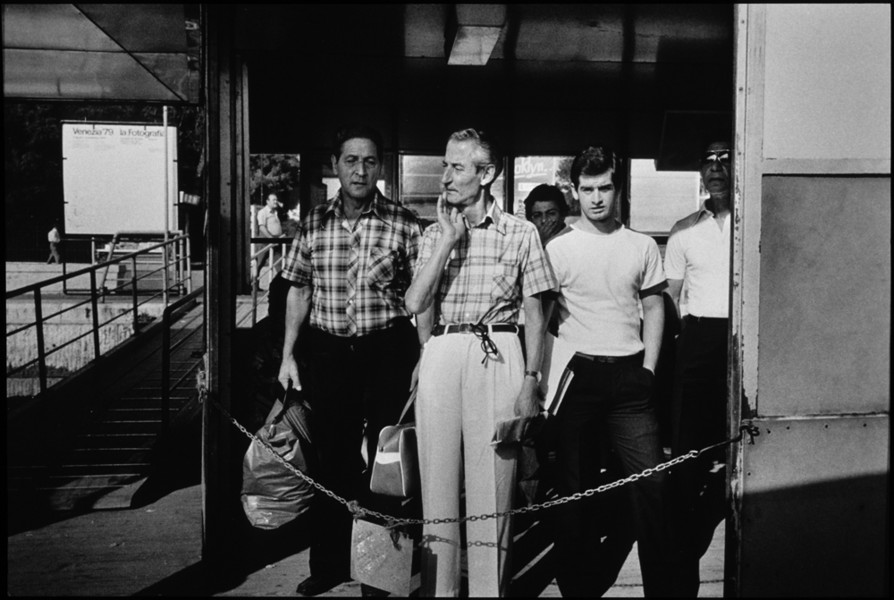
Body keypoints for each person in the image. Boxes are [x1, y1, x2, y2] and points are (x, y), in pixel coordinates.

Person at [405, 128, 557, 597]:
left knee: (493, 485)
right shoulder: (433, 233)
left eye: (457, 167)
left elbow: (537, 310)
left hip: (499, 350)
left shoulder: (520, 232)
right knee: (437, 485)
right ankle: (441, 590)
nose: (444, 176)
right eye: (444, 165)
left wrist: (532, 378)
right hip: (443, 351)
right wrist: (449, 240)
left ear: (486, 174)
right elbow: (416, 303)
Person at [277, 124, 422, 597]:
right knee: (331, 458)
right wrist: (288, 357)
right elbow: (298, 289)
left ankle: (383, 570)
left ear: (381, 167)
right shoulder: (313, 223)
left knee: (388, 460)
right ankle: (332, 563)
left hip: (387, 350)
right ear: (335, 166)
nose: (361, 170)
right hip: (330, 352)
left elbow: (420, 300)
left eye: (370, 161)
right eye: (351, 161)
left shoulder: (403, 223)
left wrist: (423, 356)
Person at [541, 145, 674, 597]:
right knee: (573, 490)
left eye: (604, 188)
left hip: (630, 380)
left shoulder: (639, 245)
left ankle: (660, 586)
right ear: (574, 192)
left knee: (652, 482)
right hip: (575, 379)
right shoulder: (558, 250)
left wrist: (650, 369)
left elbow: (654, 306)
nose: (596, 198)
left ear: (617, 189)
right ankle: (576, 587)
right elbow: (540, 317)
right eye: (587, 190)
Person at [664, 140, 733, 596]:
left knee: (742, 439)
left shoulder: (754, 220)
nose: (715, 170)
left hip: (744, 334)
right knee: (692, 446)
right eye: (707, 162)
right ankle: (683, 548)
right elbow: (670, 298)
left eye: (724, 160)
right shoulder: (684, 230)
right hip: (700, 337)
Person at [256, 193, 284, 273]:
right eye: (273, 200)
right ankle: (253, 284)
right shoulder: (263, 212)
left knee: (279, 264)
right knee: (259, 265)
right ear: (267, 201)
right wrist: (270, 238)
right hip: (265, 242)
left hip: (276, 242)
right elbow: (261, 227)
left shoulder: (275, 212)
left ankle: (280, 285)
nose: (276, 201)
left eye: (276, 199)